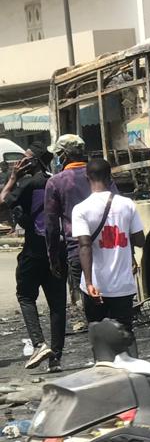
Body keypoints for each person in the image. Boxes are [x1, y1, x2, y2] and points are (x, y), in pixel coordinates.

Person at [0, 143, 66, 371]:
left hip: (34, 250)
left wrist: (12, 178)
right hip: (58, 249)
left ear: (34, 161)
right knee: (57, 304)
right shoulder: (56, 180)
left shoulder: (27, 183)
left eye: (25, 159)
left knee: (25, 296)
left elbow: (1, 202)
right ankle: (55, 359)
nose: (20, 163)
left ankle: (39, 343)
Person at [44, 134, 117, 325]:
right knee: (115, 308)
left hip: (77, 251)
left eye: (58, 154)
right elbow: (118, 207)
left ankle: (103, 349)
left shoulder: (56, 182)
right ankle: (119, 347)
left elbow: (51, 225)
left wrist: (53, 258)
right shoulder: (99, 173)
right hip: (111, 247)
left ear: (63, 156)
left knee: (94, 310)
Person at [70, 158, 144, 344]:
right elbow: (140, 240)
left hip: (96, 287)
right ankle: (128, 368)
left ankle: (104, 371)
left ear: (87, 178)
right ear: (110, 177)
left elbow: (85, 246)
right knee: (126, 334)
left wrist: (88, 283)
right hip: (123, 286)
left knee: (99, 337)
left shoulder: (80, 209)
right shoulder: (128, 204)